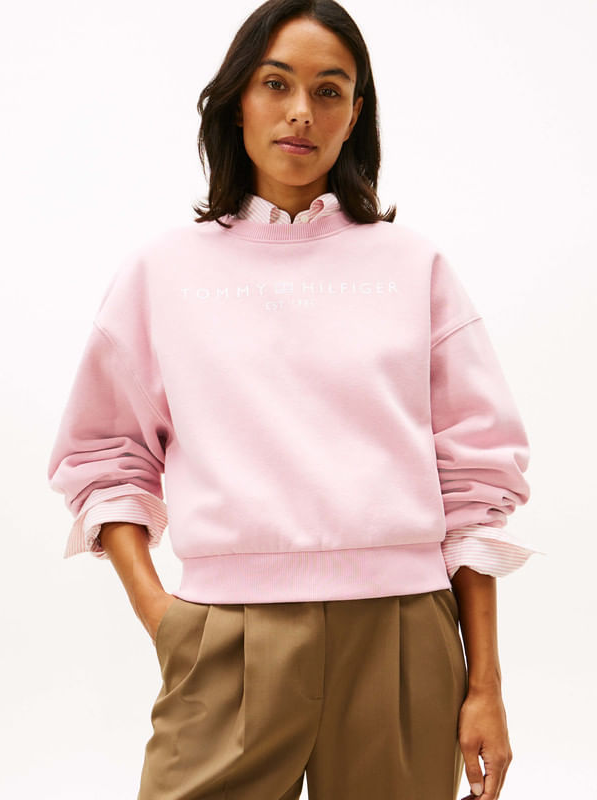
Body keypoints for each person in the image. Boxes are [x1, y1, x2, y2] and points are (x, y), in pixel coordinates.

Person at [47, 1, 542, 798]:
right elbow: (105, 455)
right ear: (237, 99)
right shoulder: (161, 273)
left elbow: (474, 488)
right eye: (276, 84)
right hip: (224, 638)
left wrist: (485, 685)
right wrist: (166, 620)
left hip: (401, 635)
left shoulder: (414, 268)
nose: (301, 112)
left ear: (356, 115)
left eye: (329, 90)